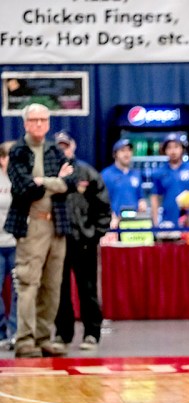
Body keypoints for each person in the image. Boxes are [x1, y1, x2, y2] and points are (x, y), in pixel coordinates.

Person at [5, 104, 75, 358]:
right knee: (28, 282)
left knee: (52, 284)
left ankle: (45, 337)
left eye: (43, 120)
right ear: (25, 123)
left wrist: (44, 182)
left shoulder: (55, 150)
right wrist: (55, 182)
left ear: (48, 123)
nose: (38, 124)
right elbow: (25, 188)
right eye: (33, 120)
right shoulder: (18, 152)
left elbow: (70, 182)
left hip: (57, 223)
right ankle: (25, 338)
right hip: (31, 223)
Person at [52, 131, 111, 352]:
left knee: (88, 291)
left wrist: (95, 234)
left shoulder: (87, 172)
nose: (63, 150)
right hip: (58, 241)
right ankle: (62, 333)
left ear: (73, 147)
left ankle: (91, 334)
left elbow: (103, 206)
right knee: (59, 290)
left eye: (66, 146)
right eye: (59, 146)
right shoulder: (51, 173)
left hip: (84, 242)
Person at [150, 133, 189, 227]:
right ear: (165, 150)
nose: (173, 151)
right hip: (168, 221)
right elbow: (155, 197)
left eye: (176, 147)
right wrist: (156, 222)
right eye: (169, 148)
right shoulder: (159, 172)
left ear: (182, 149)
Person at [102, 139, 146, 227]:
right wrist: (111, 216)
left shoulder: (136, 174)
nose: (126, 154)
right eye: (122, 150)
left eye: (129, 150)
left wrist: (142, 203)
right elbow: (102, 200)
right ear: (115, 154)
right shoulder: (106, 174)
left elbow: (140, 197)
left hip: (134, 223)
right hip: (114, 223)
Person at [0, 141, 18, 350]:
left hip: (16, 242)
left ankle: (15, 332)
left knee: (17, 290)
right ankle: (1, 332)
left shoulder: (20, 177)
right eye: (7, 157)